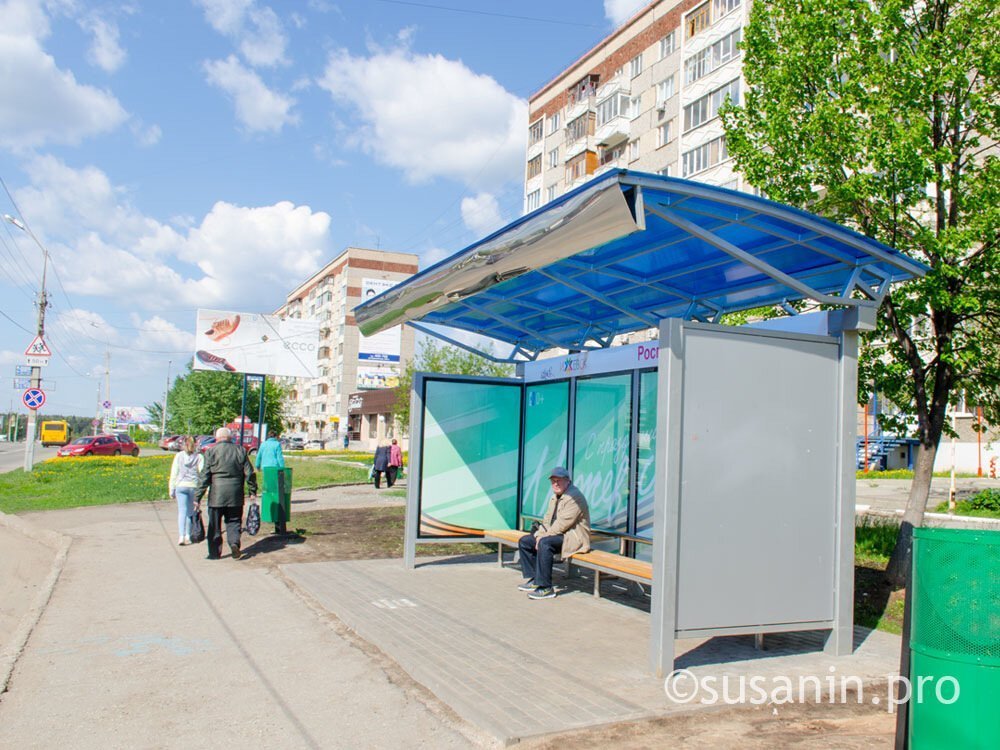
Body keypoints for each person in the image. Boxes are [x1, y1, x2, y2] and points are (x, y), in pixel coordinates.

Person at [518, 466, 591, 600]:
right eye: (553, 481)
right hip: (558, 535)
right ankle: (536, 580)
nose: (555, 484)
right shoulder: (555, 497)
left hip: (574, 538)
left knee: (545, 544)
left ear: (568, 481)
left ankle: (546, 588)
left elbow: (562, 525)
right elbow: (547, 520)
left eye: (559, 480)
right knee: (525, 541)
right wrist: (539, 535)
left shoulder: (575, 497)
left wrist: (542, 538)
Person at [194, 427, 258, 560]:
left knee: (215, 524)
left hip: (217, 494)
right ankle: (234, 543)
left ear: (217, 438)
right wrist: (252, 490)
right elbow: (250, 473)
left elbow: (204, 476)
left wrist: (197, 497)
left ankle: (214, 553)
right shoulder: (240, 450)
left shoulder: (211, 452)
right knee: (234, 521)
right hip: (235, 494)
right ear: (231, 438)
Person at [168, 436, 203, 545]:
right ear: (195, 445)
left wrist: (171, 489)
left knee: (181, 511)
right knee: (190, 512)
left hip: (180, 485)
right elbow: (202, 473)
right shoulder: (199, 457)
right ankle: (188, 535)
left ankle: (181, 536)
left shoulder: (179, 456)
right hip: (193, 486)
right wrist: (204, 489)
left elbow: (174, 473)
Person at [255, 430, 286, 533]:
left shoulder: (263, 444)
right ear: (276, 436)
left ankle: (268, 499)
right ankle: (274, 498)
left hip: (266, 469)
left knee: (267, 486)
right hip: (275, 469)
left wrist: (257, 466)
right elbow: (279, 457)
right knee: (276, 488)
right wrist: (282, 468)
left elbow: (259, 456)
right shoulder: (277, 444)